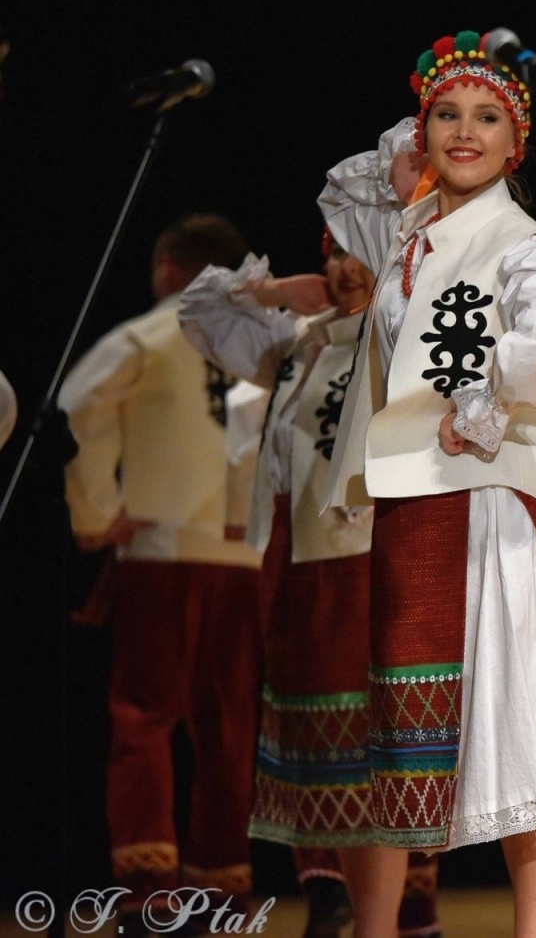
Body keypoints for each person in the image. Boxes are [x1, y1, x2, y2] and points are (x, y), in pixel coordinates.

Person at [316, 30, 536, 938]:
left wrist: (485, 402)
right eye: (444, 117)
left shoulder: (521, 244)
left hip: (488, 511)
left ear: (519, 147)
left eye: (487, 120)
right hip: (414, 513)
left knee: (526, 744)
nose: (462, 133)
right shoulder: (410, 234)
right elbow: (344, 181)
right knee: (412, 744)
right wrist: (423, 136)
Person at [178, 123, 443, 938]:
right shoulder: (302, 347)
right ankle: (350, 905)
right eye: (329, 249)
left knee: (389, 749)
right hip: (307, 568)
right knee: (332, 754)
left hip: (378, 562)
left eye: (352, 248)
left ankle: (408, 909)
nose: (340, 266)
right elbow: (198, 310)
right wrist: (274, 292)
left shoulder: (401, 326)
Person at [58, 214, 263, 929]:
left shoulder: (148, 335)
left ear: (169, 266)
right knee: (229, 729)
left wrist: (98, 513)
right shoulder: (261, 339)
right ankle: (222, 889)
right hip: (242, 557)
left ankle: (150, 893)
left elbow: (77, 409)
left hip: (165, 552)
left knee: (145, 720)